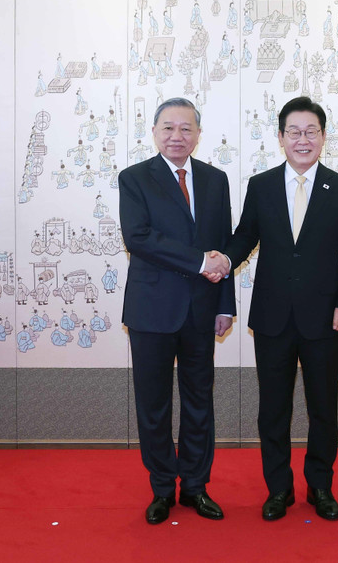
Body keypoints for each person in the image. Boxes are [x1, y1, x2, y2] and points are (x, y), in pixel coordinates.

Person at [214, 96, 338, 522]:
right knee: (274, 409)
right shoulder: (261, 186)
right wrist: (223, 260)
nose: (303, 140)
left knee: (323, 408)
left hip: (326, 319)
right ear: (281, 137)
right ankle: (278, 489)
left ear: (323, 137)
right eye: (294, 132)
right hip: (272, 319)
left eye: (311, 132)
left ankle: (320, 486)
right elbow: (245, 236)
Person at [119, 97, 235, 525]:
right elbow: (139, 237)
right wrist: (201, 262)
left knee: (199, 402)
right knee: (153, 405)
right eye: (168, 128)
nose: (177, 136)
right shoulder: (134, 178)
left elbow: (223, 243)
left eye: (186, 129)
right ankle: (162, 488)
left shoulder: (215, 180)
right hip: (151, 311)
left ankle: (196, 487)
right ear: (154, 132)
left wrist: (225, 303)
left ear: (198, 135)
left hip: (203, 311)